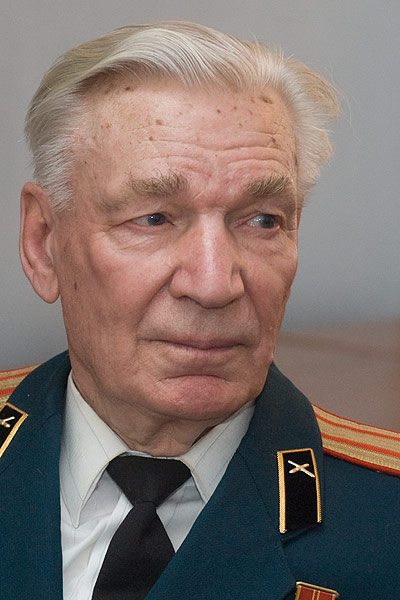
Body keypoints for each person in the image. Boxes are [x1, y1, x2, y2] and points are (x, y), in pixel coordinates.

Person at [0, 21, 399, 600]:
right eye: (154, 218)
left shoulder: (384, 520)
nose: (214, 285)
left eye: (262, 220)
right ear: (43, 243)